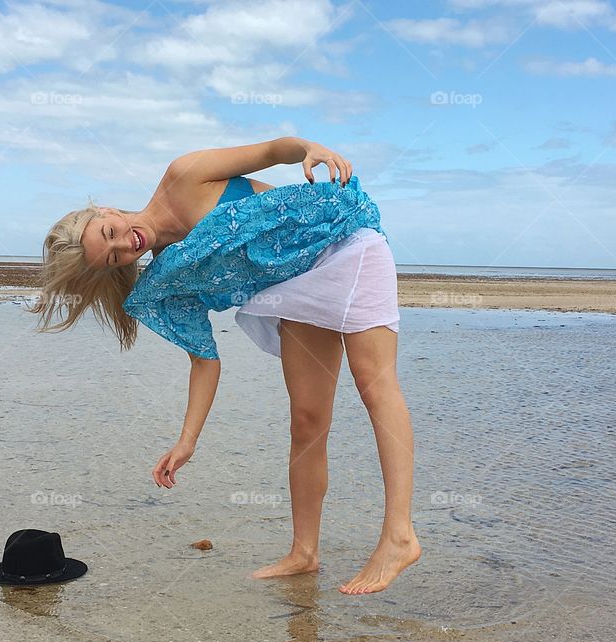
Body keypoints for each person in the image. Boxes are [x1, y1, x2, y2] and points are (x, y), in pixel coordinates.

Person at [29, 137, 420, 595]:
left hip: (344, 238)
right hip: (295, 281)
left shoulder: (184, 175)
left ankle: (399, 536)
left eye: (109, 233)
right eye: (114, 257)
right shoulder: (173, 274)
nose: (124, 244)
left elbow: (273, 151)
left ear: (106, 211)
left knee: (374, 383)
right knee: (307, 420)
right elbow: (204, 362)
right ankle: (304, 552)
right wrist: (186, 441)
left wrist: (308, 150)